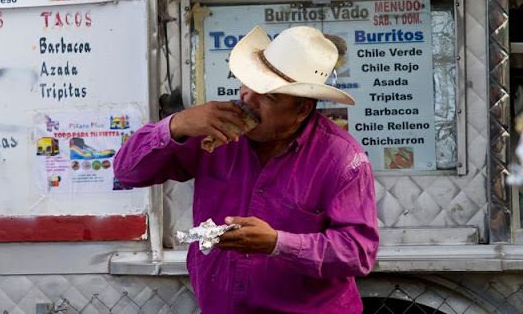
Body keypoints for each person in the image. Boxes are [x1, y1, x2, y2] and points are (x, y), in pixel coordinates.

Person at [114, 25, 379, 313]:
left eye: (268, 96)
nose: (247, 98)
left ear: (301, 110)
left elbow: (358, 253)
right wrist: (177, 124)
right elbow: (127, 171)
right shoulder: (213, 130)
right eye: (247, 82)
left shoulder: (343, 158)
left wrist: (278, 243)